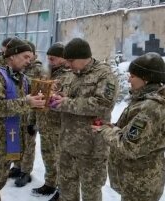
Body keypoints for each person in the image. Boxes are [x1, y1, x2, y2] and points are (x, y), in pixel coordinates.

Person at [0, 38, 46, 201]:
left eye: (31, 57)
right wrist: (25, 102)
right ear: (12, 56)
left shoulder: (17, 75)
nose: (30, 61)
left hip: (9, 142)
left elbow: (30, 92)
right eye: (26, 57)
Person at [50, 38, 119, 201]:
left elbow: (103, 105)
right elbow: (71, 98)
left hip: (91, 148)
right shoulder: (72, 75)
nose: (68, 65)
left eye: (71, 60)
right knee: (66, 190)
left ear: (83, 57)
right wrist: (58, 97)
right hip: (68, 144)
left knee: (91, 193)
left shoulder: (105, 75)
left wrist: (66, 103)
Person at [92, 52, 165, 201]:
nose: (128, 79)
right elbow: (136, 134)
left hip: (141, 184)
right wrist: (112, 127)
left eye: (132, 76)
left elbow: (128, 146)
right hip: (137, 180)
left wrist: (104, 130)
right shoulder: (144, 99)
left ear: (146, 79)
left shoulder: (150, 108)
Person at [31, 43, 74, 200]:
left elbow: (69, 98)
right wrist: (32, 119)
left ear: (63, 58)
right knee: (48, 156)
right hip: (44, 123)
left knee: (61, 160)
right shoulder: (46, 73)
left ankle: (62, 190)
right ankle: (50, 183)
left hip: (59, 126)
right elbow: (37, 95)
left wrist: (58, 93)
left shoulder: (70, 76)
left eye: (53, 58)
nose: (50, 60)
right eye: (48, 57)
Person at [9, 40, 48, 187]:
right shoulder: (16, 68)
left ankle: (26, 171)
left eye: (28, 56)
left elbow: (43, 93)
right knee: (16, 140)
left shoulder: (39, 70)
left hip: (30, 113)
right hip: (17, 110)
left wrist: (35, 120)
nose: (26, 59)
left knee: (28, 143)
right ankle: (17, 166)